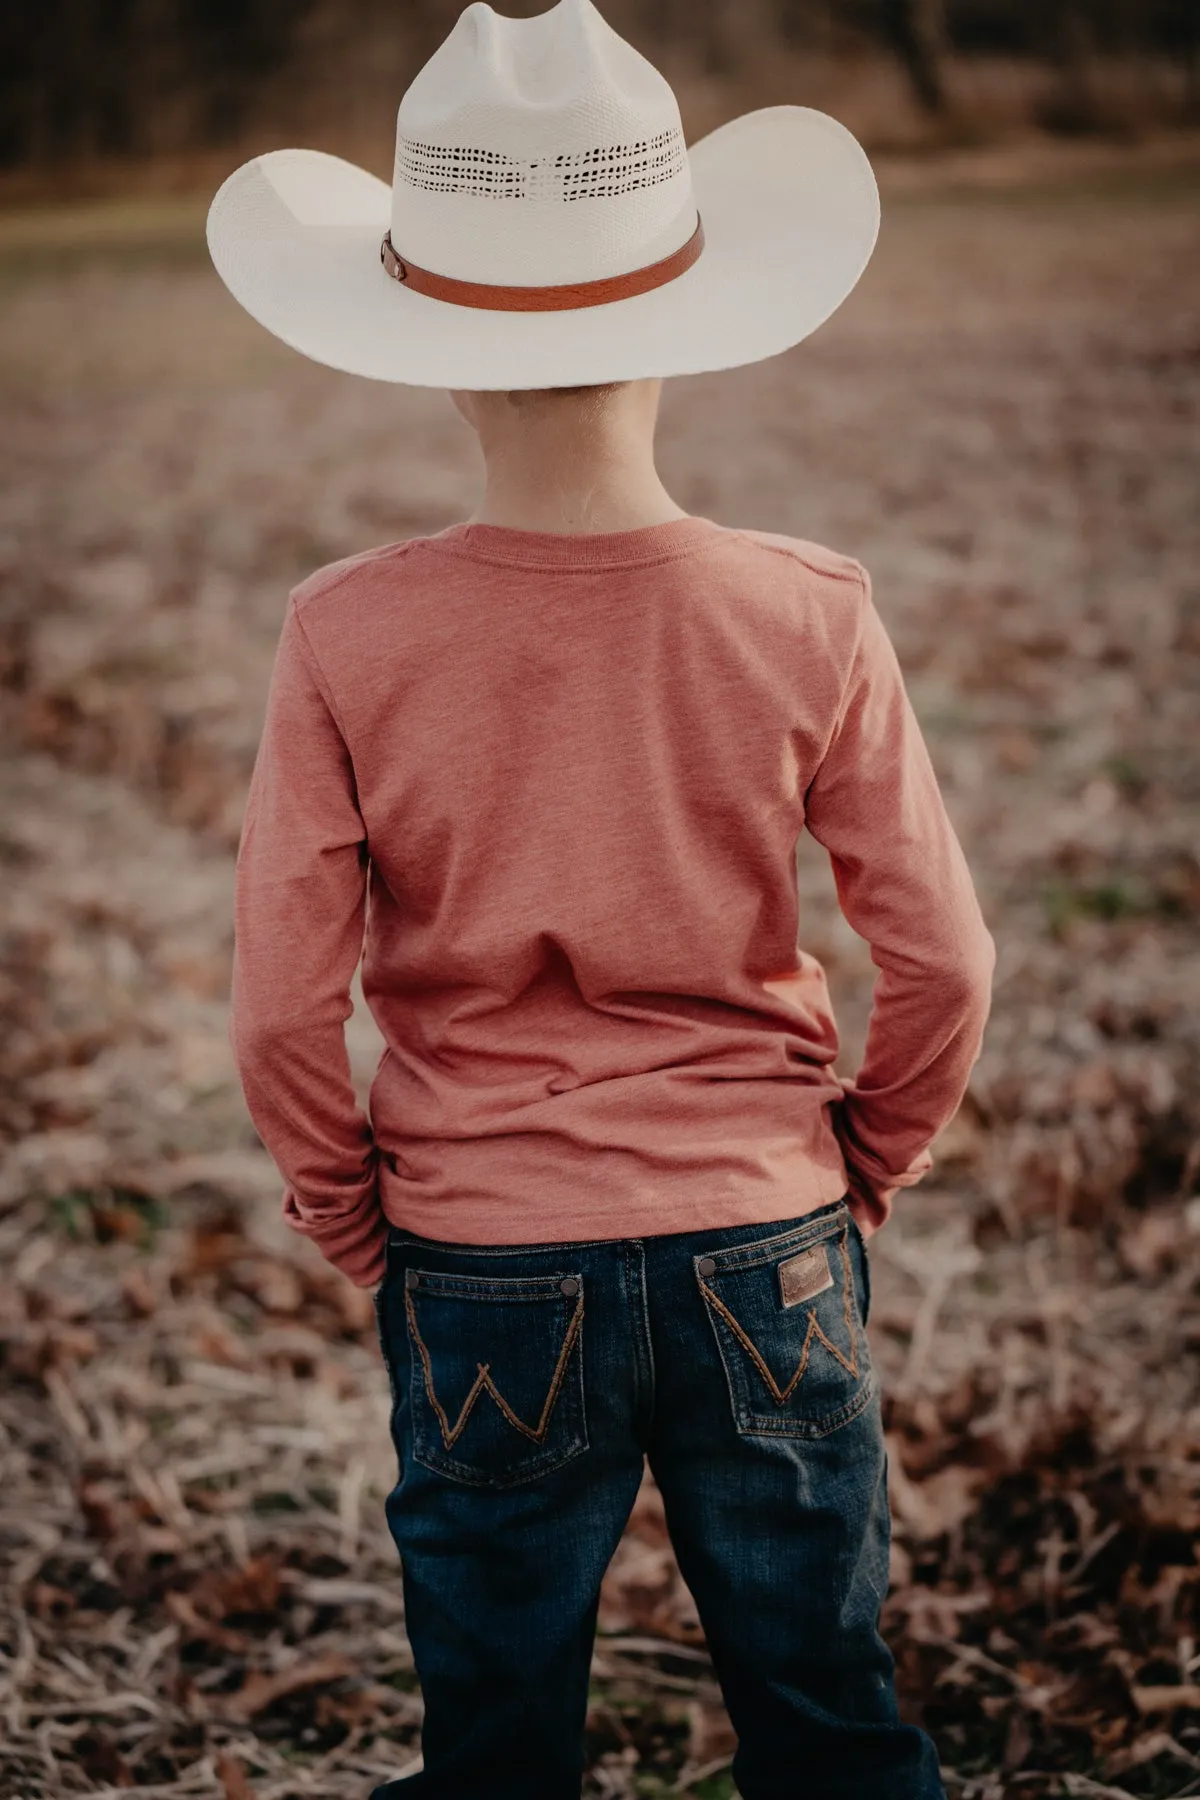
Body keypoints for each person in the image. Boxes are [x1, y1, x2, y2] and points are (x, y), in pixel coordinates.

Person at [209, 2, 995, 1795]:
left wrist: (359, 1225)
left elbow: (276, 1008)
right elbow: (946, 955)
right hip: (771, 1241)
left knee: (494, 1748)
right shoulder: (808, 609)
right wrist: (860, 1164)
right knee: (830, 1718)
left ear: (435, 352)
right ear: (684, 331)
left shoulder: (349, 631)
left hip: (484, 1257)